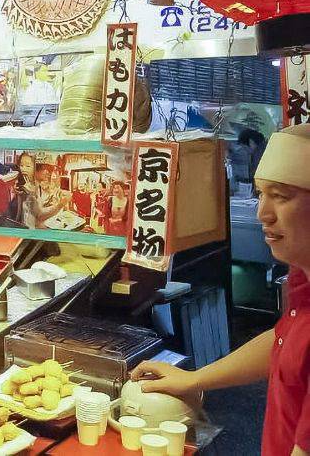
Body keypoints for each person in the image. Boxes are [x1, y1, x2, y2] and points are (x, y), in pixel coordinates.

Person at [131, 124, 310, 456]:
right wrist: (194, 379)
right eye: (260, 194)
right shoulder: (303, 278)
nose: (262, 214)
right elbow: (285, 341)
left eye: (281, 197)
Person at [29, 163, 70, 229]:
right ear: (35, 170)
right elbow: (39, 216)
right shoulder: (31, 189)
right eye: (45, 169)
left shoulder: (38, 187)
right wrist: (60, 205)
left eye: (50, 170)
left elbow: (41, 208)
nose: (49, 173)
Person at [10, 152, 36, 226]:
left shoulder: (40, 183)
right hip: (22, 220)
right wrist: (15, 192)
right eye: (21, 165)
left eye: (28, 166)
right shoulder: (20, 180)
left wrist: (32, 193)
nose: (23, 169)